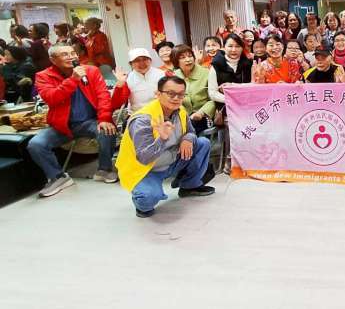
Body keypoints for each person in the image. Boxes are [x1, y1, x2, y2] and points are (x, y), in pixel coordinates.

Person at [116, 75, 214, 218]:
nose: (176, 98)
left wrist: (187, 138)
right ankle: (142, 199)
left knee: (202, 143)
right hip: (147, 170)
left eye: (181, 94)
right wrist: (162, 139)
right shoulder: (143, 120)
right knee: (148, 198)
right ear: (158, 94)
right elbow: (144, 158)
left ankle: (189, 186)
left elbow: (191, 132)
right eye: (171, 94)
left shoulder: (180, 111)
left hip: (172, 161)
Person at [27, 44, 117, 197]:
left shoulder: (91, 71)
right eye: (64, 54)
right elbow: (52, 98)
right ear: (53, 60)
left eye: (73, 53)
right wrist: (73, 80)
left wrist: (104, 118)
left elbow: (103, 96)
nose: (71, 57)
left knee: (107, 130)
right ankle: (58, 177)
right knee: (35, 144)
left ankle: (104, 169)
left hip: (89, 122)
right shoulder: (43, 76)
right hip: (62, 126)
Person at [172, 45, 216, 134]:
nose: (188, 60)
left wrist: (201, 112)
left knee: (187, 128)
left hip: (203, 116)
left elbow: (213, 98)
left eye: (190, 56)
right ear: (176, 61)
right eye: (183, 57)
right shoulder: (173, 76)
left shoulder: (206, 73)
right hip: (181, 116)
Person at [208, 33, 253, 107]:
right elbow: (212, 93)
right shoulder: (216, 65)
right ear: (224, 47)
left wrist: (233, 86)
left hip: (247, 106)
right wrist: (231, 100)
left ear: (242, 48)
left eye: (237, 46)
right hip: (225, 107)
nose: (234, 50)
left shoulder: (249, 64)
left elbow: (253, 86)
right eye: (230, 46)